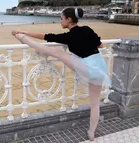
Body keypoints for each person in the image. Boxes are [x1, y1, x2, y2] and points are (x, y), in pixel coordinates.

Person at [12, 7, 111, 141]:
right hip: (100, 68)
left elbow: (44, 36)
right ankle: (91, 133)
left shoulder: (69, 36)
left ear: (69, 19)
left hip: (88, 68)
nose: (60, 21)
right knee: (95, 104)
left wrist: (23, 31)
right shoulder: (87, 29)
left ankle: (23, 39)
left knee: (58, 52)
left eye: (61, 18)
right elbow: (100, 46)